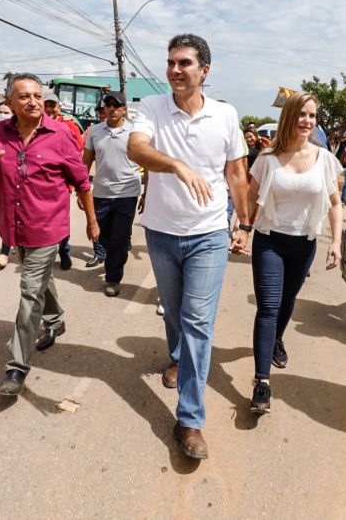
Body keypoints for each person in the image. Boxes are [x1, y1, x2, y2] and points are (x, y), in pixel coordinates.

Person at [127, 34, 250, 460]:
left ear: (205, 71)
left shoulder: (225, 115)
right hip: (160, 232)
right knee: (175, 311)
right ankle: (177, 356)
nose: (175, 70)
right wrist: (177, 165)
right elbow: (136, 148)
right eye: (171, 62)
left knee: (198, 321)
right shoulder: (152, 108)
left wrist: (244, 222)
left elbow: (237, 173)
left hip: (209, 233)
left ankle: (190, 419)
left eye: (185, 63)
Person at [0, 73, 99, 397]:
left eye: (37, 95)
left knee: (29, 289)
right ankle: (56, 320)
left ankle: (17, 366)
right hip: (14, 227)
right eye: (24, 96)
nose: (33, 101)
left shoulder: (61, 135)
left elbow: (82, 182)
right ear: (9, 102)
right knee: (38, 281)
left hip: (48, 227)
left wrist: (93, 223)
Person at [242, 92, 343, 414]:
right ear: (289, 117)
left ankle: (277, 340)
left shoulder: (324, 158)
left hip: (305, 243)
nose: (307, 121)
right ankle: (262, 382)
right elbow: (249, 197)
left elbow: (336, 203)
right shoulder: (267, 158)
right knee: (269, 307)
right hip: (270, 240)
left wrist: (337, 243)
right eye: (301, 114)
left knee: (287, 303)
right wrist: (242, 231)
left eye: (312, 115)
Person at [82, 91, 141, 297]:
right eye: (108, 105)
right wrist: (82, 191)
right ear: (104, 108)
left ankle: (113, 277)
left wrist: (149, 190)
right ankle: (116, 256)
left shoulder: (135, 132)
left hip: (127, 192)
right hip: (101, 193)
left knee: (119, 238)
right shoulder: (94, 132)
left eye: (117, 105)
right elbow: (86, 161)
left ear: (124, 109)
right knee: (102, 236)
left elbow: (147, 162)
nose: (112, 109)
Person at [43, 90, 84, 270]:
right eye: (47, 105)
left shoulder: (68, 125)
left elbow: (78, 150)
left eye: (53, 105)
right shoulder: (32, 125)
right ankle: (44, 254)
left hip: (61, 182)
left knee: (61, 220)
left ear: (58, 107)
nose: (50, 109)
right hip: (40, 182)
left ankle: (64, 251)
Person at [83, 104, 109, 268]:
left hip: (124, 190)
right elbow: (84, 157)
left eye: (104, 111)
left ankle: (119, 248)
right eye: (99, 112)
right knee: (96, 221)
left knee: (119, 229)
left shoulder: (130, 131)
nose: (102, 114)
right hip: (98, 186)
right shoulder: (92, 131)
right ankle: (99, 253)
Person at [0, 103, 15, 270]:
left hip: (23, 182)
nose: (2, 114)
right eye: (0, 111)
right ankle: (4, 252)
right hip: (4, 183)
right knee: (7, 216)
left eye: (6, 112)